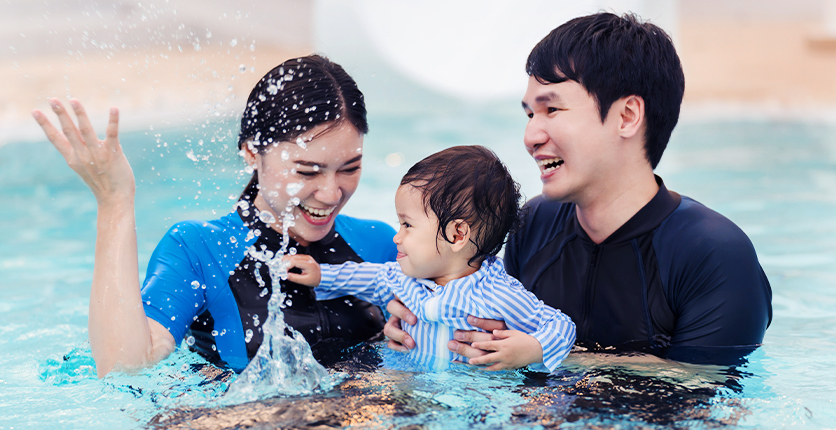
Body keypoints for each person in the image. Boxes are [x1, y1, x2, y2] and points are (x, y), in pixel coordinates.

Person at [384, 13, 772, 366]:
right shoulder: (533, 224)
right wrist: (416, 321)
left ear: (626, 116)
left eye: (552, 110)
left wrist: (552, 357)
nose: (531, 136)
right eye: (530, 114)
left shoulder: (714, 254)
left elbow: (709, 387)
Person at [32, 55, 397, 376]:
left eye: (350, 168)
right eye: (307, 171)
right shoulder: (198, 249)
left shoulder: (382, 244)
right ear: (252, 153)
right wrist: (114, 201)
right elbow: (123, 365)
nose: (332, 193)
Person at [284, 145, 576, 371]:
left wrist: (533, 349)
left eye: (407, 225)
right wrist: (321, 275)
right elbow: (366, 277)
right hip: (411, 396)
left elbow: (561, 326)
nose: (397, 237)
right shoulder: (403, 279)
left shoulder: (499, 295)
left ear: (457, 234)